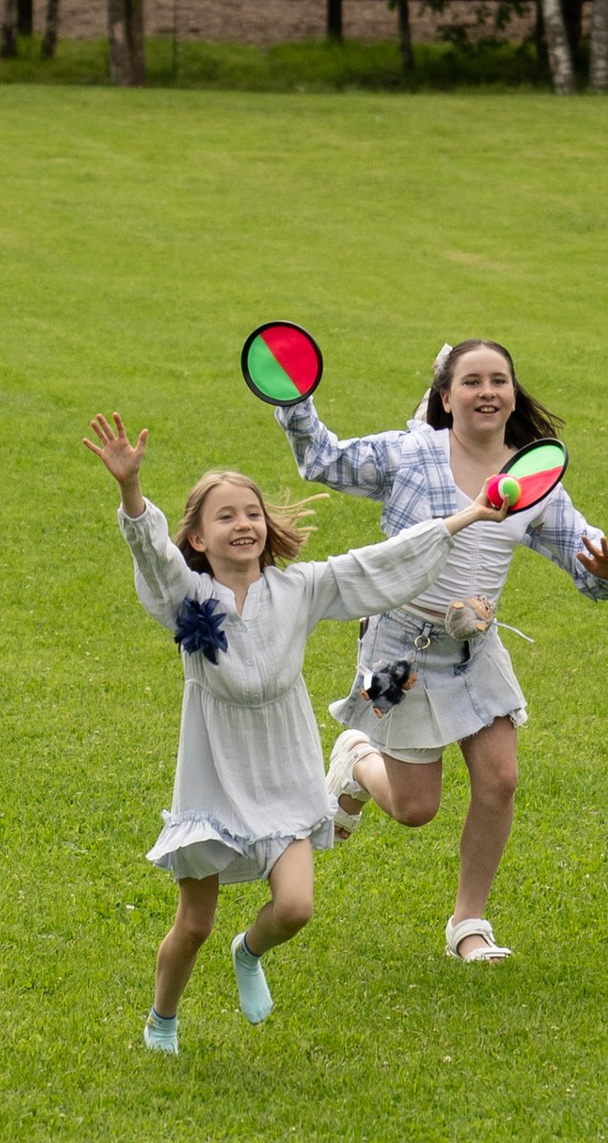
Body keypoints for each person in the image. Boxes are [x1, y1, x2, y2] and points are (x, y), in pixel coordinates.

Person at [86, 411, 501, 1052]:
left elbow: (378, 565)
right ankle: (162, 1019)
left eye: (250, 512)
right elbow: (151, 553)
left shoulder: (300, 589)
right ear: (196, 537)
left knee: (296, 909)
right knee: (191, 925)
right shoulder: (186, 600)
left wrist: (466, 517)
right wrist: (130, 490)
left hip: (284, 773)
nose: (243, 524)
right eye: (224, 517)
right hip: (215, 777)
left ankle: (248, 951)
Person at [268, 338, 608, 965]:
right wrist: (294, 400)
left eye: (499, 380)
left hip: (475, 649)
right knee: (415, 809)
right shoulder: (412, 453)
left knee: (500, 778)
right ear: (446, 397)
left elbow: (593, 561)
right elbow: (324, 462)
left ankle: (469, 923)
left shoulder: (533, 477)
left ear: (513, 394)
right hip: (398, 653)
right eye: (471, 381)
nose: (486, 391)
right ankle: (355, 758)